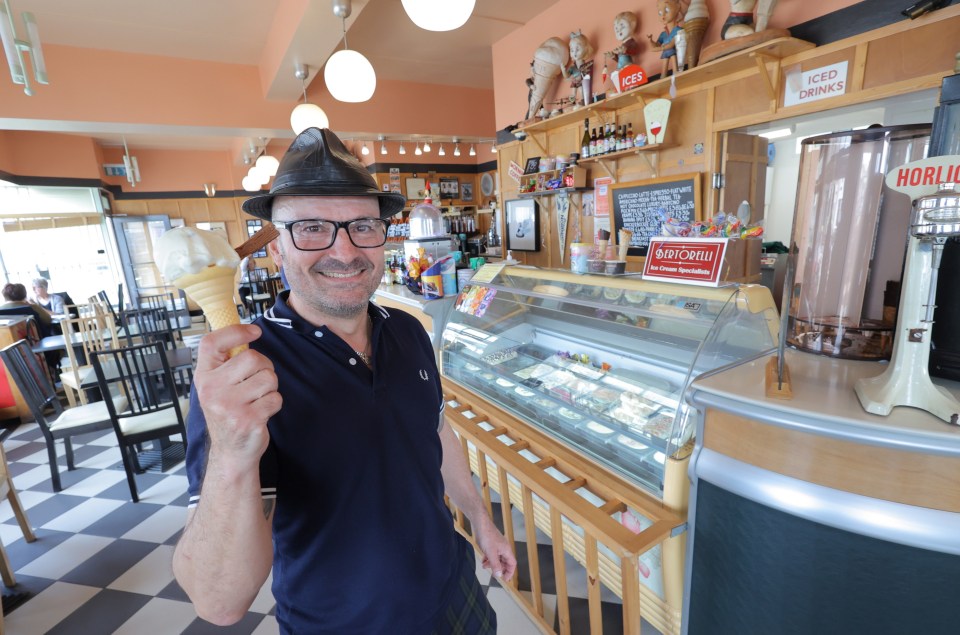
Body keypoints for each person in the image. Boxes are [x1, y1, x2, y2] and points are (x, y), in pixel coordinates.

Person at [172, 127, 517, 634]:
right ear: (276, 247)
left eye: (363, 225)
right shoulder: (242, 375)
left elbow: (436, 431)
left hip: (453, 596)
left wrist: (480, 520)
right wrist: (230, 449)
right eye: (311, 227)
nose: (346, 250)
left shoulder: (408, 332)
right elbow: (218, 601)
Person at [647, 0, 684, 78]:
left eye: (666, 10)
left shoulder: (678, 30)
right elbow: (656, 44)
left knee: (672, 54)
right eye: (660, 13)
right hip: (666, 51)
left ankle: (675, 70)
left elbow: (671, 44)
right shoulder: (663, 34)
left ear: (678, 8)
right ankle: (663, 74)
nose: (662, 15)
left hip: (674, 51)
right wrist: (651, 41)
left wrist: (661, 48)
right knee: (665, 58)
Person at [561, 30, 595, 107]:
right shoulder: (573, 67)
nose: (575, 52)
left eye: (578, 49)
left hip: (581, 83)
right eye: (572, 50)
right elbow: (566, 76)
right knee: (573, 92)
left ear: (586, 49)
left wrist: (578, 78)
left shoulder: (586, 65)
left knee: (581, 90)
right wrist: (563, 70)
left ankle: (583, 100)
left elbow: (586, 76)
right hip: (575, 82)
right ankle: (572, 103)